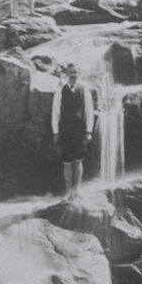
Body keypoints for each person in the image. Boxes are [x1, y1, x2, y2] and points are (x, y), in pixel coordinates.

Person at [51, 63, 95, 196]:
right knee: (67, 162)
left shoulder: (84, 90)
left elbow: (89, 111)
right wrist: (55, 131)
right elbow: (55, 112)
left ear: (78, 74)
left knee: (78, 160)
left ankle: (77, 189)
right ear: (67, 74)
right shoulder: (60, 91)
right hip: (65, 129)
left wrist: (89, 131)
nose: (73, 75)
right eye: (70, 72)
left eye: (75, 72)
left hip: (79, 129)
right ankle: (68, 191)